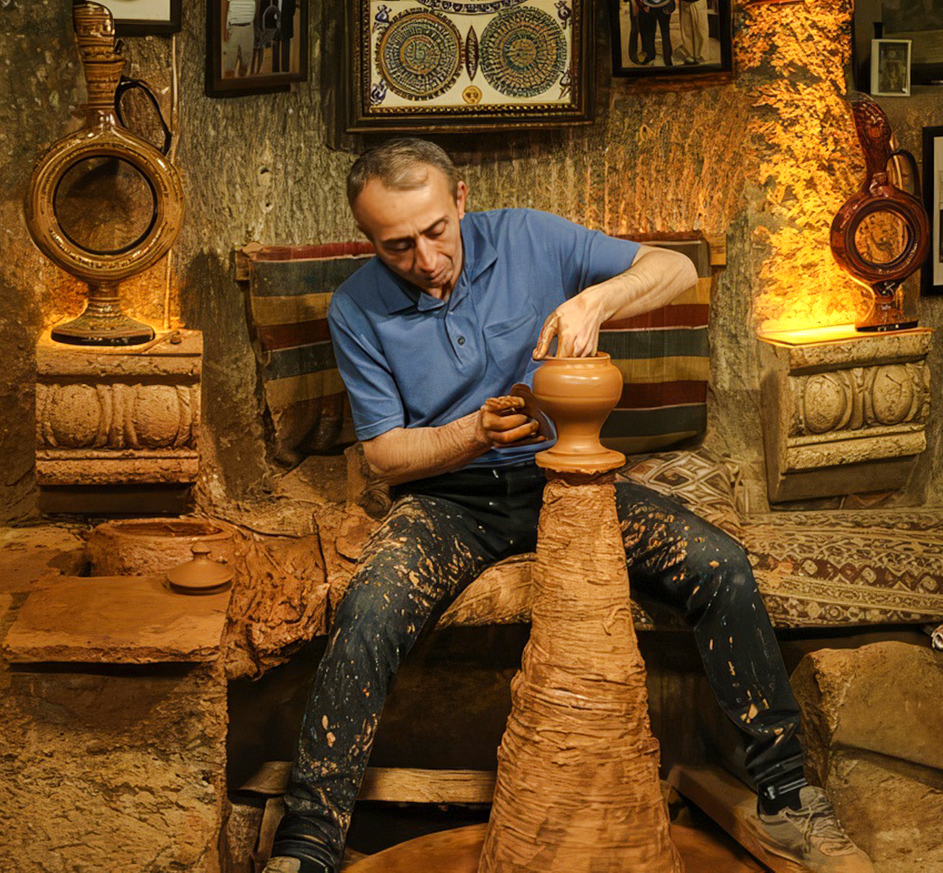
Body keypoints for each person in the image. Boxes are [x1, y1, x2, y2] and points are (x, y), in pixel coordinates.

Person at [259, 138, 873, 873]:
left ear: (460, 200)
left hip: (573, 483)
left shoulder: (527, 235)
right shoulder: (357, 306)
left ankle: (786, 798)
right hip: (451, 503)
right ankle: (309, 842)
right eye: (397, 246)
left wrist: (595, 298)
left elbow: (678, 266)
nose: (424, 259)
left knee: (720, 565)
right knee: (369, 608)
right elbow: (387, 456)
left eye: (435, 232)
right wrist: (470, 434)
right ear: (370, 240)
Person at [258, 0, 299, 75]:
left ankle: (285, 73)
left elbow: (291, 8)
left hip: (286, 22)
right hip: (275, 23)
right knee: (275, 48)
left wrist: (283, 20)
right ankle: (275, 73)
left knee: (285, 48)